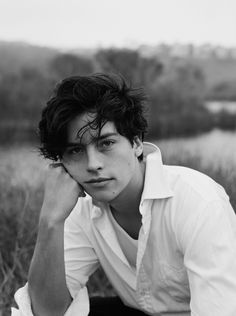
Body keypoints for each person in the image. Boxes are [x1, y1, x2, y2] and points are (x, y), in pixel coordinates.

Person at [12, 74, 236, 316]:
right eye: (75, 150)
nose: (93, 164)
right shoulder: (82, 210)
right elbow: (47, 312)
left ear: (136, 143)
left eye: (106, 144)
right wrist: (50, 221)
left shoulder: (198, 202)